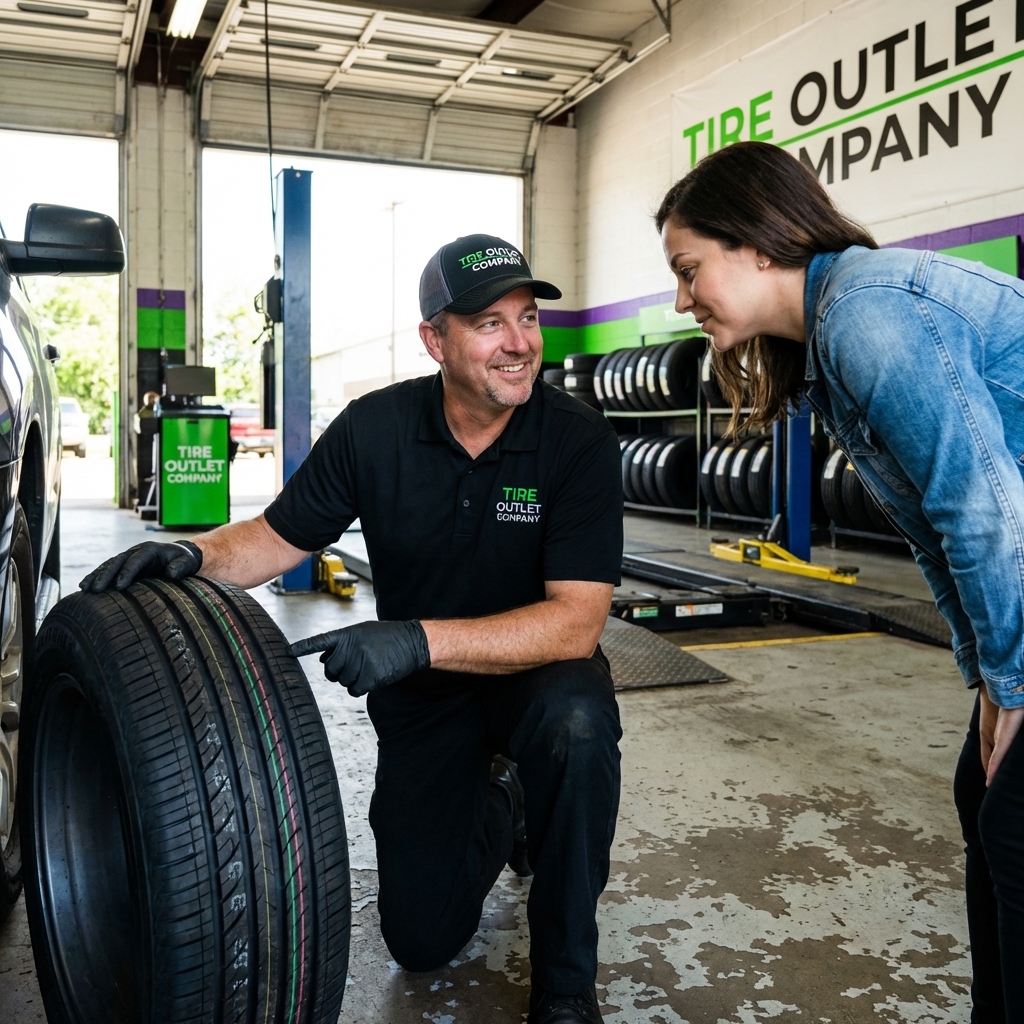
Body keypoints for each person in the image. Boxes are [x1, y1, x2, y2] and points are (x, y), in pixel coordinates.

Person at [81, 234, 624, 1024]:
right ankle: (505, 803)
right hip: (427, 700)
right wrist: (192, 555)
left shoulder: (576, 439)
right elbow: (276, 538)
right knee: (421, 940)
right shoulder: (376, 429)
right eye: (489, 324)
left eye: (528, 318)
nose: (519, 344)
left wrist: (415, 640)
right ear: (435, 340)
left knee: (577, 724)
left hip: (538, 675)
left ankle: (567, 986)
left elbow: (576, 623)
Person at [656, 141, 1024, 1022]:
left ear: (756, 244)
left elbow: (981, 511)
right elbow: (936, 534)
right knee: (985, 799)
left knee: (1013, 821)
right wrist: (986, 678)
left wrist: (1014, 684)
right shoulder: (833, 338)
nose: (680, 300)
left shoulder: (867, 313)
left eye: (688, 269)